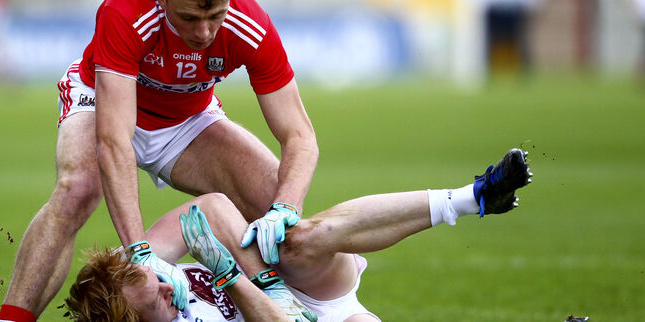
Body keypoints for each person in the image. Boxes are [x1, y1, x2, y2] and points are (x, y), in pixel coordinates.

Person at [0, 0, 319, 322]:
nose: (204, 33)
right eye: (189, 18)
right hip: (104, 101)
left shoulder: (250, 25)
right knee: (78, 189)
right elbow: (115, 141)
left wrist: (286, 208)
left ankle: (285, 309)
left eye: (215, 16)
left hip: (186, 120)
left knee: (277, 210)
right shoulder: (126, 9)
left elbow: (300, 136)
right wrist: (140, 253)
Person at [65, 148, 533, 321]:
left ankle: (473, 197)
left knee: (301, 238)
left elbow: (210, 207)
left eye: (157, 277)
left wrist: (145, 257)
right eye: (158, 299)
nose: (169, 284)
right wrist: (231, 277)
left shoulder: (145, 271)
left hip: (295, 282)